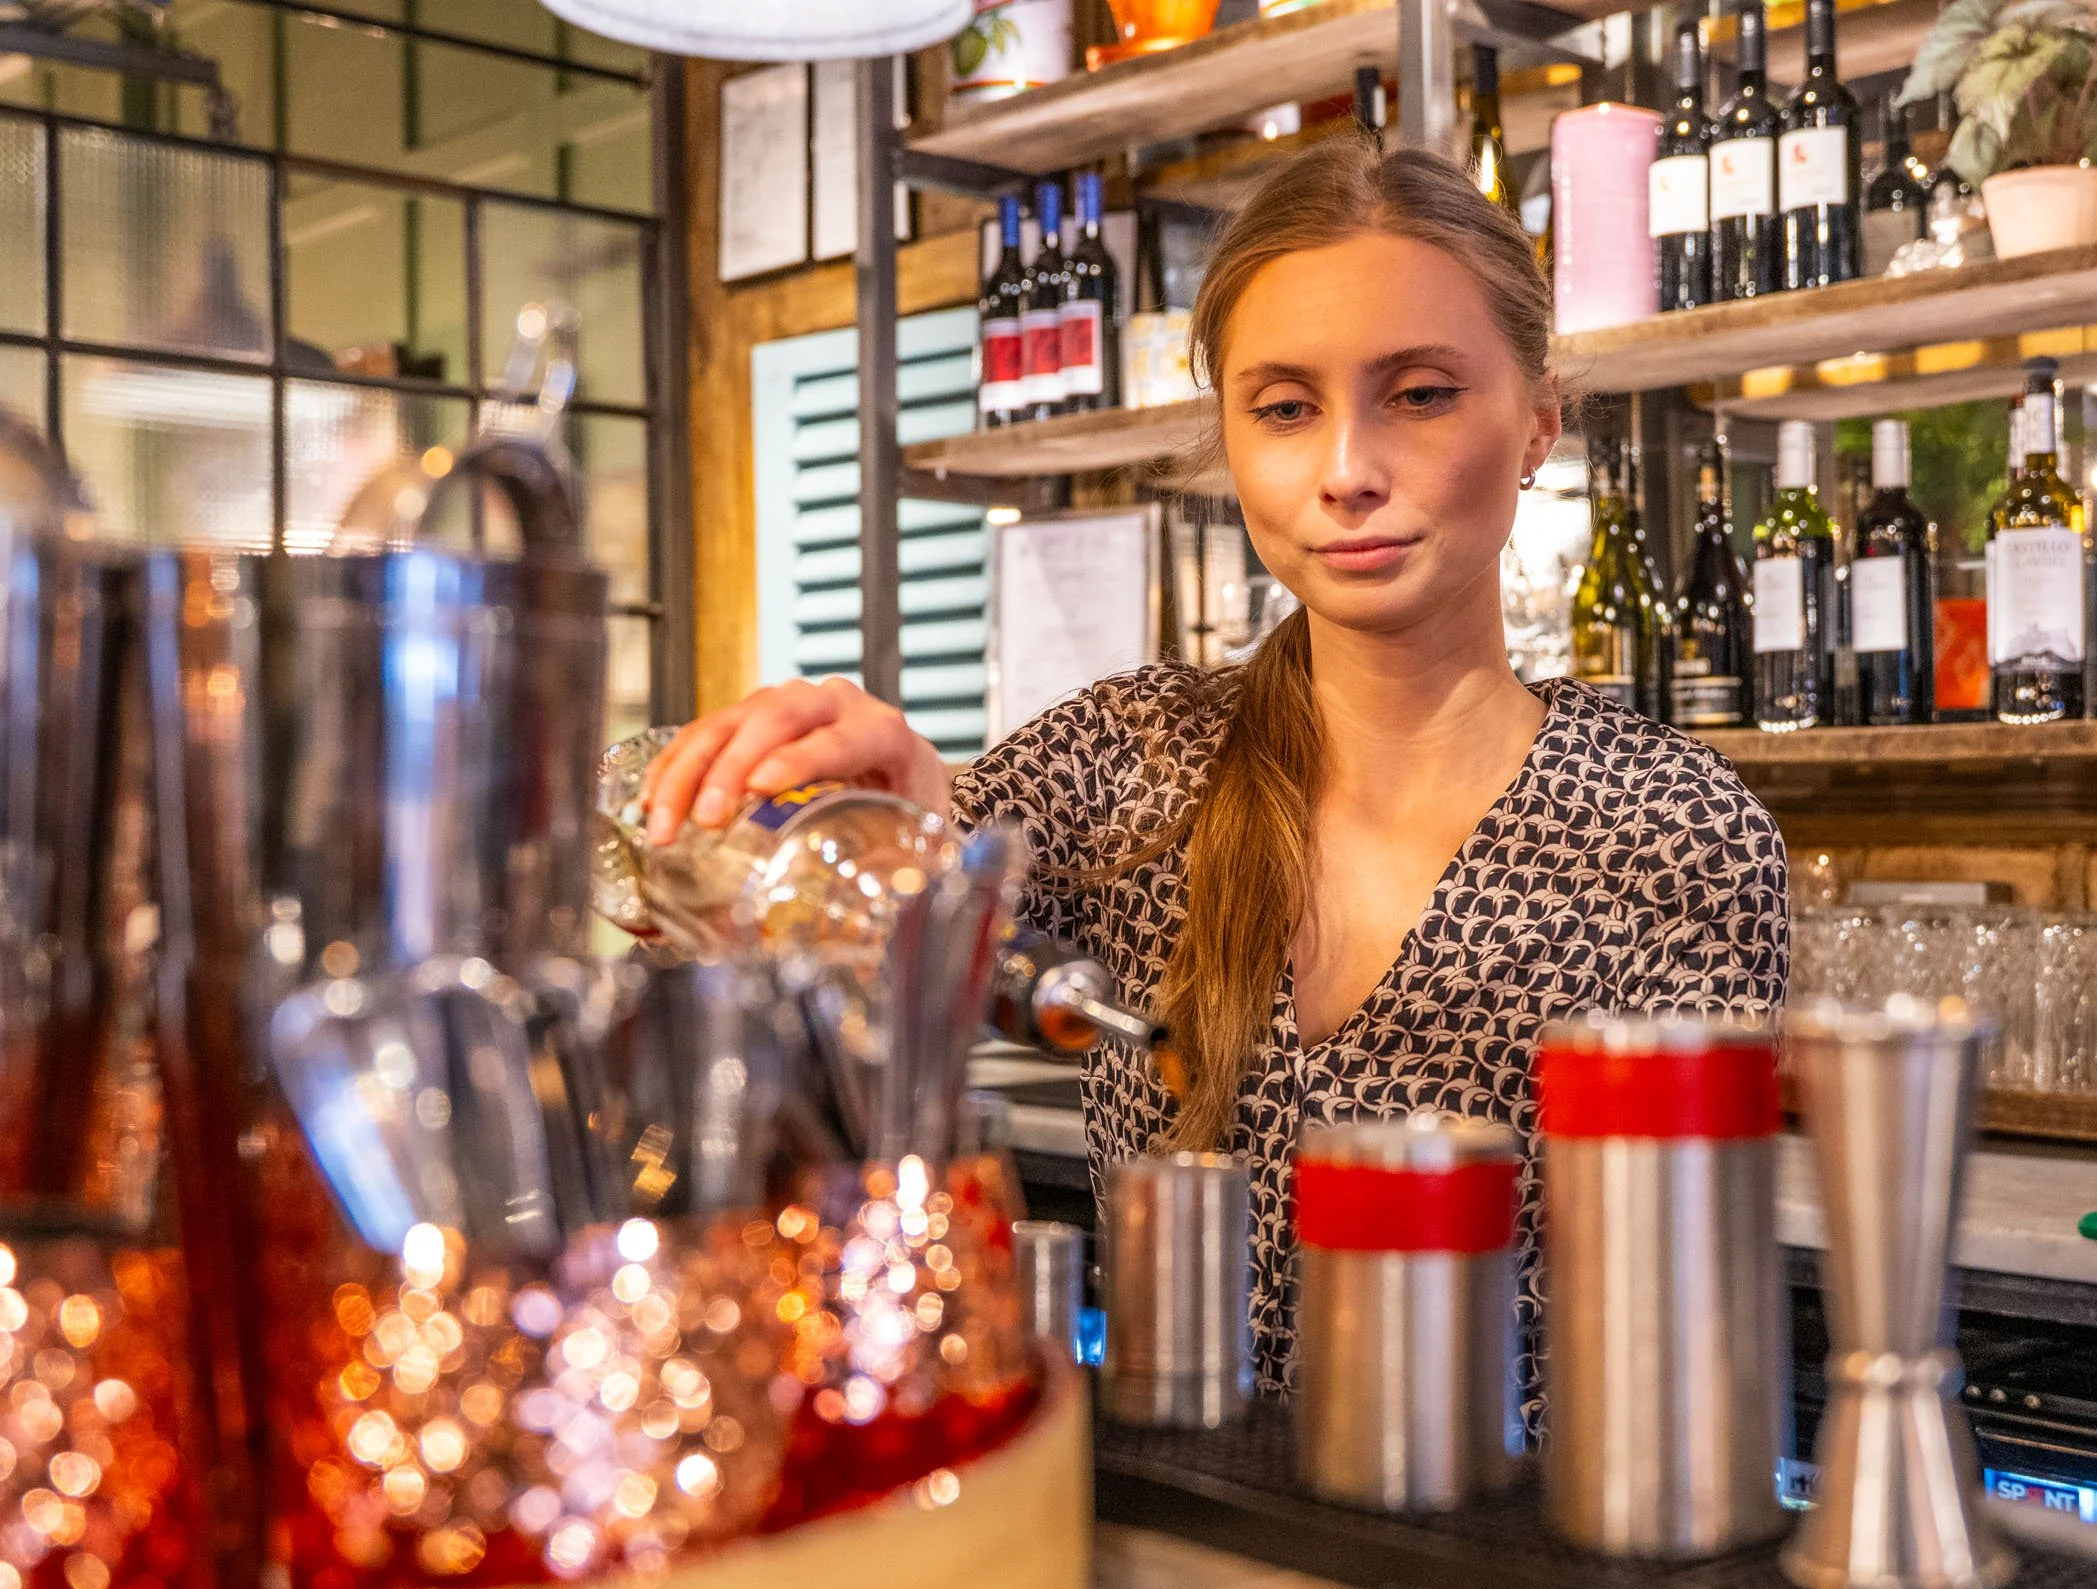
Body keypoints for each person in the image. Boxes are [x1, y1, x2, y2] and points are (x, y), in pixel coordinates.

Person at [641, 139, 1788, 1412]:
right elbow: (902, 934)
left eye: (1417, 393)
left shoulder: (1670, 831)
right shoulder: (1134, 756)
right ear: (1231, 440)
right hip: (1181, 1537)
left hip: (1517, 1553)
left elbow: (1681, 1310)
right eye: (1286, 407)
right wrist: (853, 820)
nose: (1346, 470)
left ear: (1536, 422)